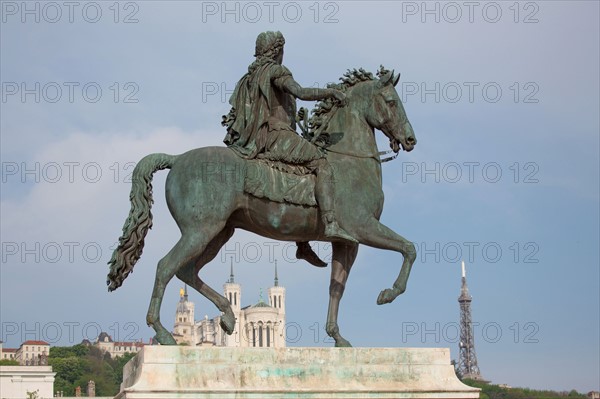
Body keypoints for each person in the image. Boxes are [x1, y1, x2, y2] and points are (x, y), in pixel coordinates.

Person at [222, 31, 357, 265]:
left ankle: (302, 243)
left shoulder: (249, 77)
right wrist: (331, 92)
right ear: (277, 51)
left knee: (298, 175)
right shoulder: (275, 71)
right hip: (276, 135)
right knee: (321, 163)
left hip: (257, 138)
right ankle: (331, 222)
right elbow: (301, 92)